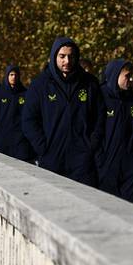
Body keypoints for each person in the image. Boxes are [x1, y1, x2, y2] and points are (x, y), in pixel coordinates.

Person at [22, 37, 105, 185]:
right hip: (52, 159)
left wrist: (92, 144)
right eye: (62, 56)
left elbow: (100, 117)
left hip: (83, 160)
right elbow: (29, 120)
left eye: (71, 56)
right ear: (54, 57)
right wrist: (43, 147)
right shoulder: (40, 84)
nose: (67, 61)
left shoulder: (89, 83)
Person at [96, 59, 133, 203]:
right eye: (127, 76)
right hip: (105, 168)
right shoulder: (100, 97)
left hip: (131, 168)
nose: (131, 79)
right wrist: (100, 159)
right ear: (116, 75)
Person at [0, 65, 34, 162]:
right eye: (11, 75)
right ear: (7, 76)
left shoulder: (25, 93)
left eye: (16, 75)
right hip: (2, 138)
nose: (14, 77)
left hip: (20, 139)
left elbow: (31, 114)